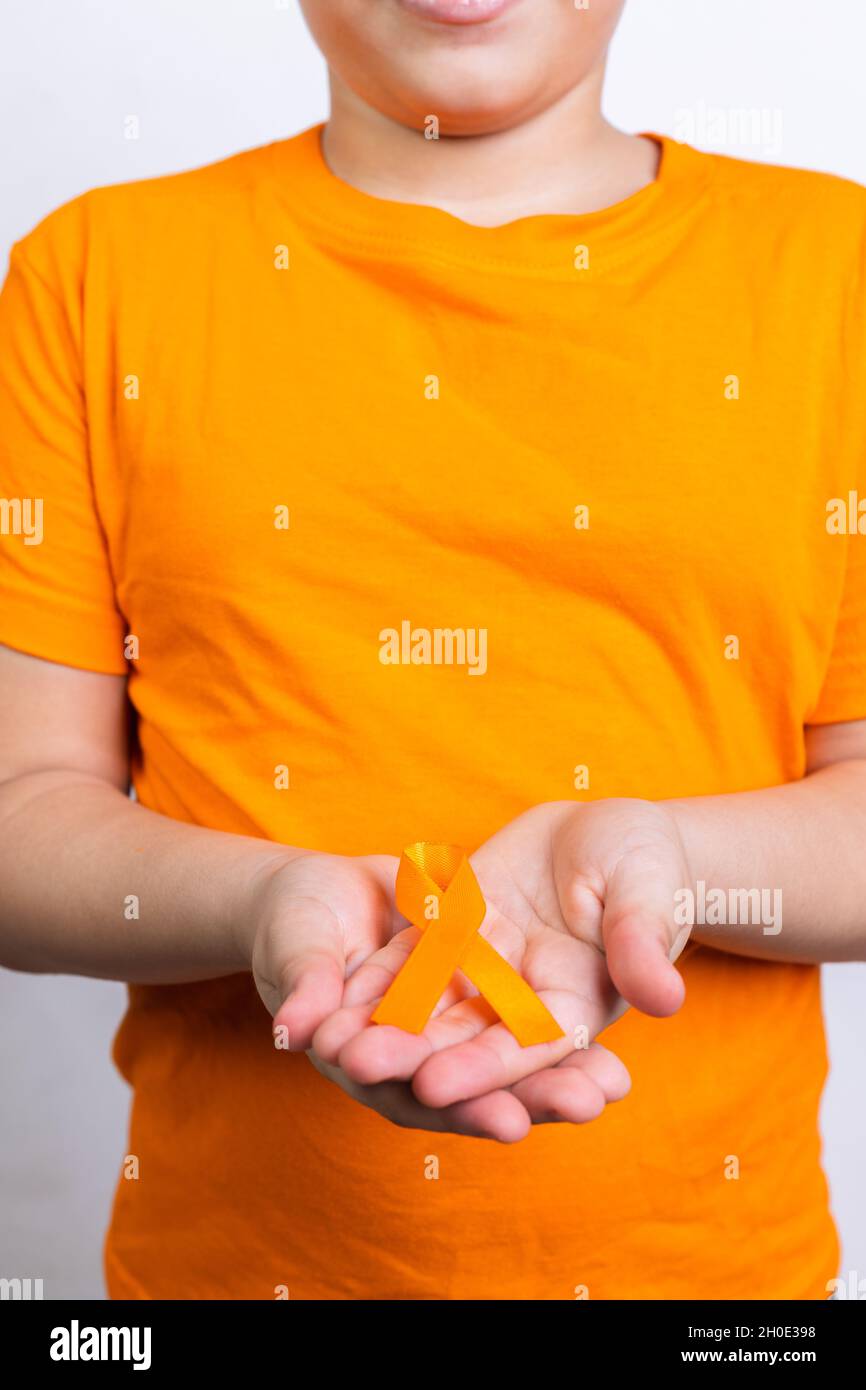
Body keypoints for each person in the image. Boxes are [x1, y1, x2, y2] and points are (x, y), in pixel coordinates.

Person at [1, 0, 864, 1300]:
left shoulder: (832, 274)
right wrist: (259, 906)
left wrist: (668, 862)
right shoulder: (95, 275)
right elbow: (22, 818)